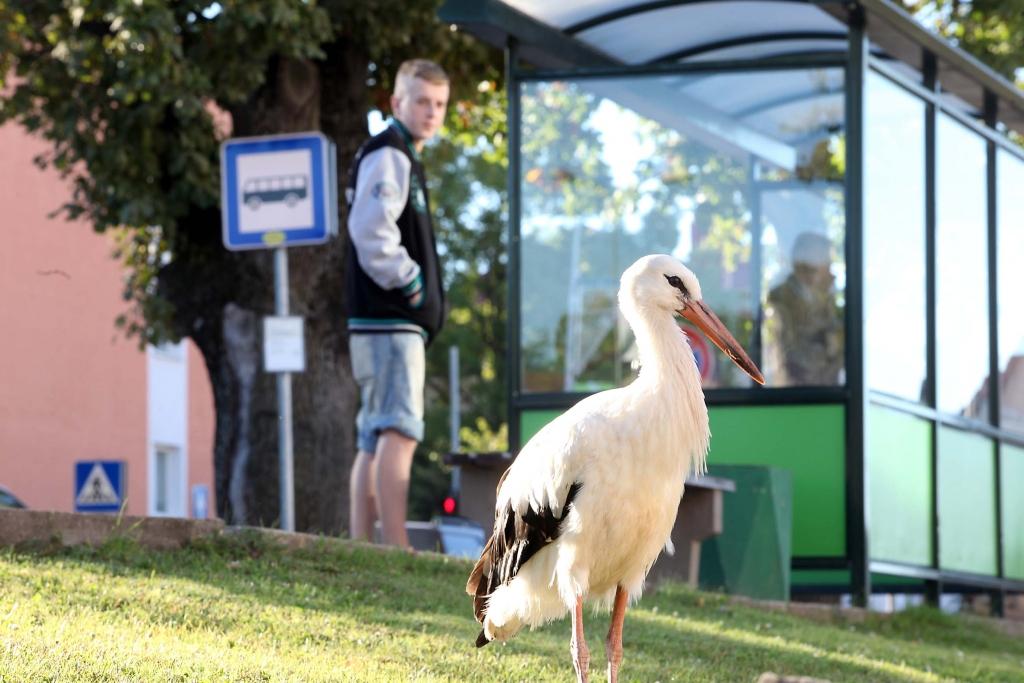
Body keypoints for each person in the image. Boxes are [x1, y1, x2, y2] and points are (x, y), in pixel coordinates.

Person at [345, 59, 449, 548]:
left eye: (439, 104)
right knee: (398, 429)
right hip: (391, 320)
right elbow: (371, 231)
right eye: (422, 101)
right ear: (396, 103)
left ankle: (364, 543)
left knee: (374, 433)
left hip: (381, 321)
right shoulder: (390, 153)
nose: (432, 112)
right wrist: (413, 286)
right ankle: (396, 545)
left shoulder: (398, 154)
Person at [765, 232, 843, 386]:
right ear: (807, 268)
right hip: (799, 392)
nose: (831, 273)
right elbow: (793, 358)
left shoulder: (821, 298)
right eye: (827, 264)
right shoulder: (783, 301)